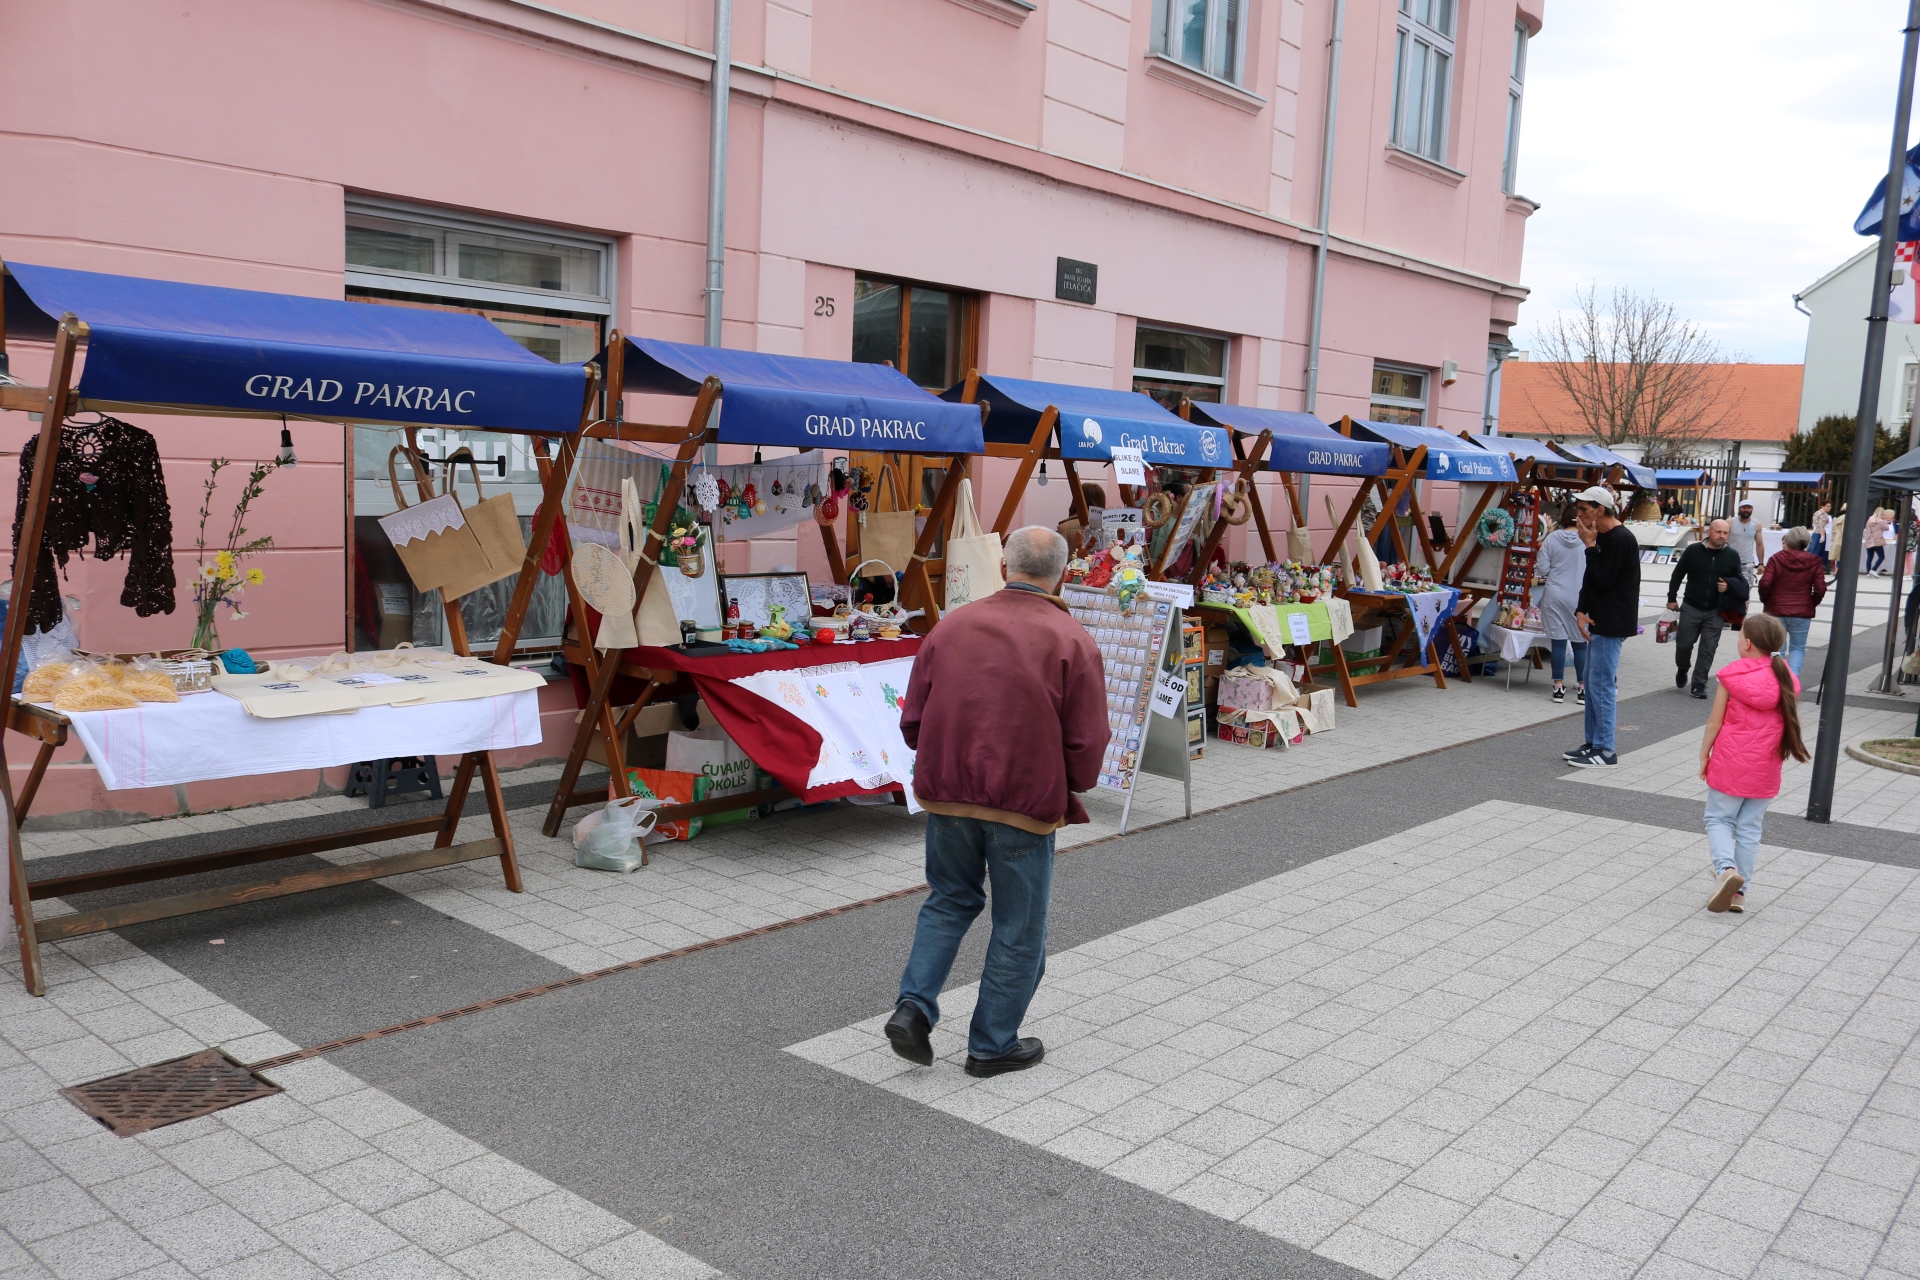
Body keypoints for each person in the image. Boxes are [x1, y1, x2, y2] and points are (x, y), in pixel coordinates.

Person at [887, 526, 1106, 1077]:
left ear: (1005, 564)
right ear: (1062, 571)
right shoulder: (1072, 639)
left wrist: (941, 755)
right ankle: (991, 1043)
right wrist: (1072, 785)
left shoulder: (952, 624)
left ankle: (914, 1006)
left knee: (949, 898)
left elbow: (913, 719)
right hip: (1023, 801)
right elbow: (1086, 741)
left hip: (947, 792)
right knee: (1019, 924)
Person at [1699, 613, 1809, 913]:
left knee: (1719, 819)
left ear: (1747, 643)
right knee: (1749, 828)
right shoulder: (1788, 677)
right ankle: (1739, 893)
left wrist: (1704, 754)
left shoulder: (1732, 676)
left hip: (1730, 761)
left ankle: (1725, 871)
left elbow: (1714, 722)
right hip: (1767, 766)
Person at [1566, 486, 1640, 769]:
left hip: (1612, 621)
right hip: (1599, 618)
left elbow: (1604, 579)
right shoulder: (1604, 537)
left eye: (1584, 509)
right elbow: (1591, 579)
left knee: (1601, 685)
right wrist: (1581, 610)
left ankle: (1606, 750)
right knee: (1592, 682)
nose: (1579, 514)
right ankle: (1593, 743)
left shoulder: (1620, 538)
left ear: (1600, 510)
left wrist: (1588, 547)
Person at [1666, 519, 1745, 699]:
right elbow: (1678, 574)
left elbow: (1740, 582)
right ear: (1709, 532)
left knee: (1708, 648)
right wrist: (1671, 598)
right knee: (1684, 644)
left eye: (1725, 533)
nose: (1722, 536)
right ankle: (1683, 668)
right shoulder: (1693, 551)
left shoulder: (1732, 555)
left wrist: (1729, 587)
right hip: (1691, 606)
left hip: (1716, 610)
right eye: (1718, 532)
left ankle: (1698, 683)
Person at [1538, 502, 1590, 705]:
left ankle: (1558, 687)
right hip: (1580, 595)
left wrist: (1554, 574)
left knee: (1558, 642)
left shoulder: (1552, 538)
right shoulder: (1587, 540)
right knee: (1580, 642)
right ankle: (1583, 689)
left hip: (1555, 593)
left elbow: (1542, 568)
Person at [1758, 526, 1825, 676]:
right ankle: (1793, 682)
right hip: (1801, 612)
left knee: (1777, 649)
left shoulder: (1776, 558)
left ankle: (1777, 681)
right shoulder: (1814, 561)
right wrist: (1810, 603)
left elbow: (1765, 583)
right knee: (1798, 648)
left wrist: (1767, 601)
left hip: (1776, 609)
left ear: (1788, 540)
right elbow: (1820, 588)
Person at [1728, 500, 1761, 584]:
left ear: (1752, 509)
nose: (1746, 510)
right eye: (1744, 507)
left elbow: (1759, 544)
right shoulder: (1730, 522)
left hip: (1747, 562)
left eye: (1749, 508)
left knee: (1746, 588)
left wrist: (1761, 563)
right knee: (1729, 587)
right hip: (1730, 561)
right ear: (1739, 509)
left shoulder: (1757, 524)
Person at [1865, 507, 1892, 575]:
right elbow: (1886, 528)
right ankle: (1873, 569)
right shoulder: (1880, 521)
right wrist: (1885, 522)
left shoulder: (1869, 520)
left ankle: (1868, 571)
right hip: (1877, 541)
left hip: (1869, 540)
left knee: (1869, 557)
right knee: (1881, 557)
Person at [1810, 501, 1832, 569]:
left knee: (1813, 549)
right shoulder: (1823, 514)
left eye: (1830, 506)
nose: (1829, 508)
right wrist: (1822, 536)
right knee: (1818, 551)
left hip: (1816, 533)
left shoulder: (1817, 512)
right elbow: (1821, 526)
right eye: (1827, 506)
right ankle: (1815, 565)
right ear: (1822, 506)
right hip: (1820, 534)